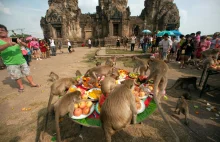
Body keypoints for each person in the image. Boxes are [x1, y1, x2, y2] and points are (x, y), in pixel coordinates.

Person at [0, 24, 39, 92]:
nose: (1, 32)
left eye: (2, 30)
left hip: (21, 59)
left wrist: (21, 42)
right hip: (10, 62)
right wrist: (8, 44)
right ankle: (21, 86)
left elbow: (26, 45)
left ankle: (32, 83)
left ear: (6, 31)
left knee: (27, 72)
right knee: (16, 75)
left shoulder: (13, 39)